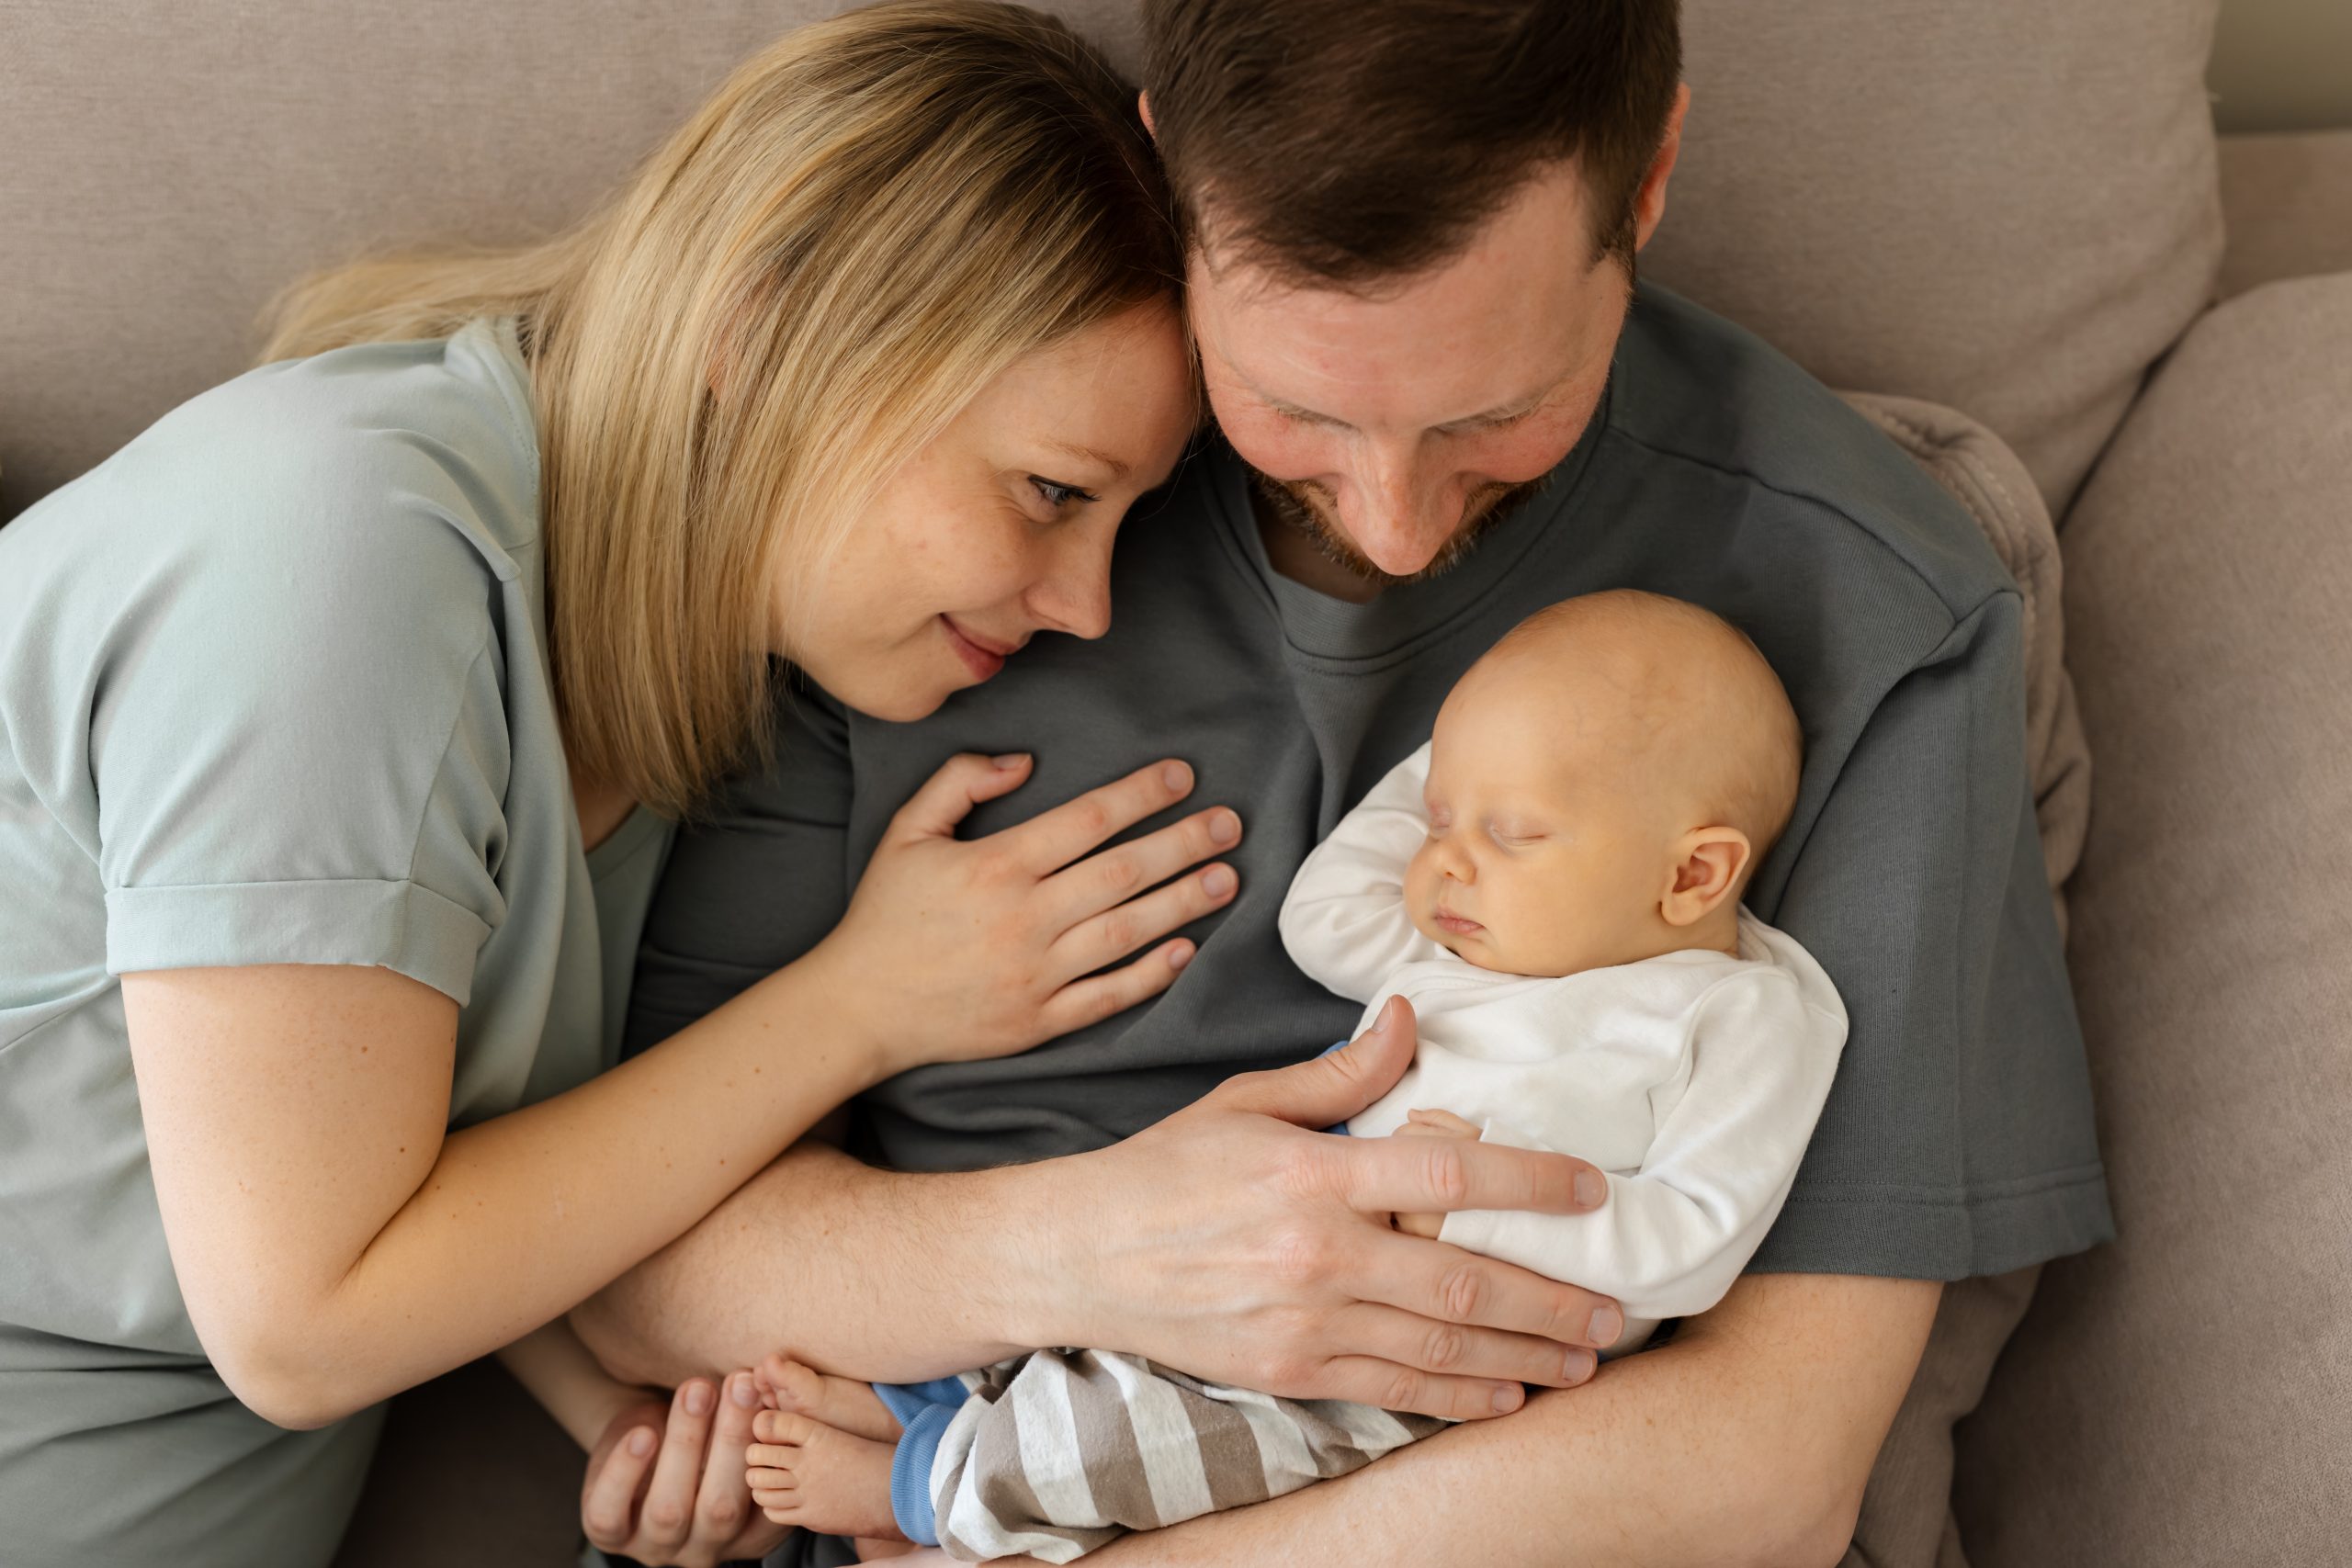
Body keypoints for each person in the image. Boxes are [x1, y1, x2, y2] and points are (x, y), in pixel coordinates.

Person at [582, 2, 2115, 1563]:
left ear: (1644, 183)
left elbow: (1763, 1469)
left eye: (1493, 415)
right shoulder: (944, 511)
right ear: (1178, 178)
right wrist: (1101, 1250)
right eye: (1300, 412)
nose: (1391, 526)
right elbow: (627, 1258)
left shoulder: (1878, 606)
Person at [0, 6, 1272, 1563]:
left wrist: (617, 1416)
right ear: (768, 332)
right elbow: (304, 1317)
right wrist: (859, 1003)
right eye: (1051, 494)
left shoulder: (662, 683)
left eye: (1123, 523)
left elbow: (406, 1141)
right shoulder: (339, 566)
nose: (1088, 603)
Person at [736, 590, 1851, 1562]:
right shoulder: (1461, 952)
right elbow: (1324, 921)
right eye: (1439, 820)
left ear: (1693, 871)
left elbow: (1699, 1236)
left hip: (1423, 1371)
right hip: (1281, 1266)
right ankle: (921, 1400)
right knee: (1125, 1328)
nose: (1448, 859)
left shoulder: (1745, 1010)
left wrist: (1471, 1228)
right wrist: (1470, 762)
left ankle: (917, 1487)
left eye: (1511, 831)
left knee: (1166, 1450)